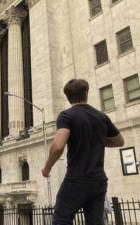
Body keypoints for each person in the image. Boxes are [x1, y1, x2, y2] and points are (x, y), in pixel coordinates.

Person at [41, 79, 124, 225]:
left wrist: (47, 167)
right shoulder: (102, 116)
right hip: (98, 181)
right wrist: (97, 138)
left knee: (61, 220)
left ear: (67, 97)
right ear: (86, 93)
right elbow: (119, 141)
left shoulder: (66, 116)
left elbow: (58, 146)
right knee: (95, 222)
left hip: (76, 179)